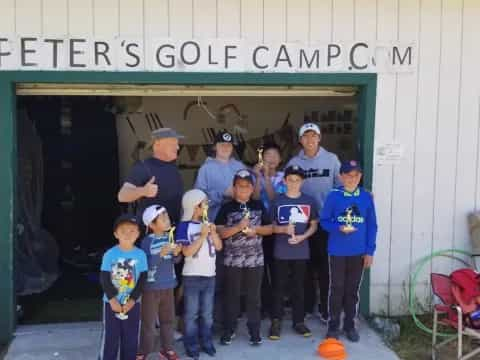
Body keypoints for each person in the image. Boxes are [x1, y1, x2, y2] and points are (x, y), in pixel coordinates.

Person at [286, 122, 341, 322]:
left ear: (319, 138)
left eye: (313, 136)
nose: (310, 140)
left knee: (326, 268)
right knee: (304, 267)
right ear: (300, 140)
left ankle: (325, 308)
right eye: (306, 136)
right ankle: (307, 306)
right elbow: (288, 190)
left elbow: (340, 187)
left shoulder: (332, 159)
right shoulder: (294, 161)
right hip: (302, 223)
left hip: (326, 222)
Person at [320, 160, 377, 342]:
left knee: (352, 290)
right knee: (337, 288)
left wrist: (370, 251)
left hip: (358, 252)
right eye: (348, 175)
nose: (352, 179)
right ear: (341, 177)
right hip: (337, 251)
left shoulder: (366, 197)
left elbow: (372, 226)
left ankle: (350, 325)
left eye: (356, 175)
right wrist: (338, 227)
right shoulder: (334, 196)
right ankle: (333, 325)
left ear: (360, 177)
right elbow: (324, 221)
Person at [194, 130, 245, 330]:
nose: (225, 148)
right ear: (215, 146)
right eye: (222, 145)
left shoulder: (239, 167)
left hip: (238, 227)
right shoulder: (206, 169)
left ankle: (230, 316)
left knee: (234, 276)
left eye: (229, 145)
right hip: (214, 228)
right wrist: (221, 194)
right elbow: (199, 195)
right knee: (215, 274)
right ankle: (212, 319)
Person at [215, 169, 273, 346]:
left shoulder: (257, 205)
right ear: (234, 187)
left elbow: (270, 228)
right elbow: (220, 232)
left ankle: (254, 331)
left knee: (254, 297)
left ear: (251, 188)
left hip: (255, 260)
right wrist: (239, 227)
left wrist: (256, 230)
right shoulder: (226, 207)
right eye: (240, 186)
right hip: (232, 260)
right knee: (231, 296)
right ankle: (229, 329)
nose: (243, 190)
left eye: (247, 186)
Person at [269, 165, 318, 340]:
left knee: (299, 287)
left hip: (301, 251)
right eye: (290, 180)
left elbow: (313, 224)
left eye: (297, 180)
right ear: (285, 181)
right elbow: (270, 227)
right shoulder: (278, 201)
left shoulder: (309, 201)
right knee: (279, 288)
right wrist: (282, 229)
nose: (294, 183)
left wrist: (303, 236)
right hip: (281, 251)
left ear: (302, 182)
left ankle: (298, 321)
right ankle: (276, 321)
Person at [176, 189, 223, 359]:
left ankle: (207, 342)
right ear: (195, 207)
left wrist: (213, 233)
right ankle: (191, 345)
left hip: (210, 275)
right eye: (204, 203)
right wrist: (202, 236)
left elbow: (218, 247)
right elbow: (187, 252)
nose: (207, 206)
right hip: (192, 276)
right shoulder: (183, 227)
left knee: (207, 314)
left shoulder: (209, 224)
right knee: (191, 314)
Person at [99, 214, 148, 360]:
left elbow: (142, 280)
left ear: (138, 234)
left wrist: (133, 300)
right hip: (111, 304)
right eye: (123, 230)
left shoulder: (141, 255)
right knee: (111, 338)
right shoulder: (110, 254)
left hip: (133, 305)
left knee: (131, 338)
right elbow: (105, 278)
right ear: (116, 234)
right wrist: (112, 300)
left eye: (132, 230)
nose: (128, 234)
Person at [137, 205, 183, 360]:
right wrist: (160, 254)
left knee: (168, 320)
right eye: (163, 219)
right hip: (151, 288)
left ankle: (167, 349)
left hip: (168, 286)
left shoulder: (170, 238)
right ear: (151, 225)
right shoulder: (146, 242)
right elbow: (145, 265)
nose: (167, 220)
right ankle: (143, 351)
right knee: (148, 323)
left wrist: (177, 254)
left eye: (167, 217)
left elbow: (175, 261)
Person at [118, 128, 184, 224]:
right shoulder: (143, 167)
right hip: (150, 233)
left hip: (172, 230)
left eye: (177, 143)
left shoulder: (173, 167)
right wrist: (143, 191)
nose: (178, 147)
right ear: (157, 144)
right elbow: (122, 196)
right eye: (173, 143)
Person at [252, 142, 286, 317]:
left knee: (276, 268)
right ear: (262, 158)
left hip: (278, 227)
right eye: (268, 155)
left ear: (280, 159)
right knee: (261, 269)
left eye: (275, 155)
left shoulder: (284, 177)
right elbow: (255, 198)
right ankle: (264, 305)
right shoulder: (254, 175)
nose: (271, 158)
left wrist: (266, 178)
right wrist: (258, 177)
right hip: (259, 227)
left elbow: (275, 199)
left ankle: (276, 307)